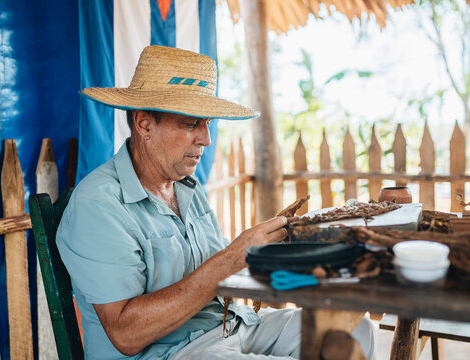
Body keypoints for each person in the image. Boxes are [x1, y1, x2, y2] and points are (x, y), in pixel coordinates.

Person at [57, 45, 376, 360]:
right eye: (190, 123)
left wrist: (293, 248)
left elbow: (227, 274)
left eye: (207, 123)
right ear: (144, 124)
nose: (206, 139)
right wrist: (232, 257)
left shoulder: (187, 189)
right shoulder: (98, 205)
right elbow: (126, 334)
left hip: (231, 328)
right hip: (171, 352)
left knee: (356, 329)